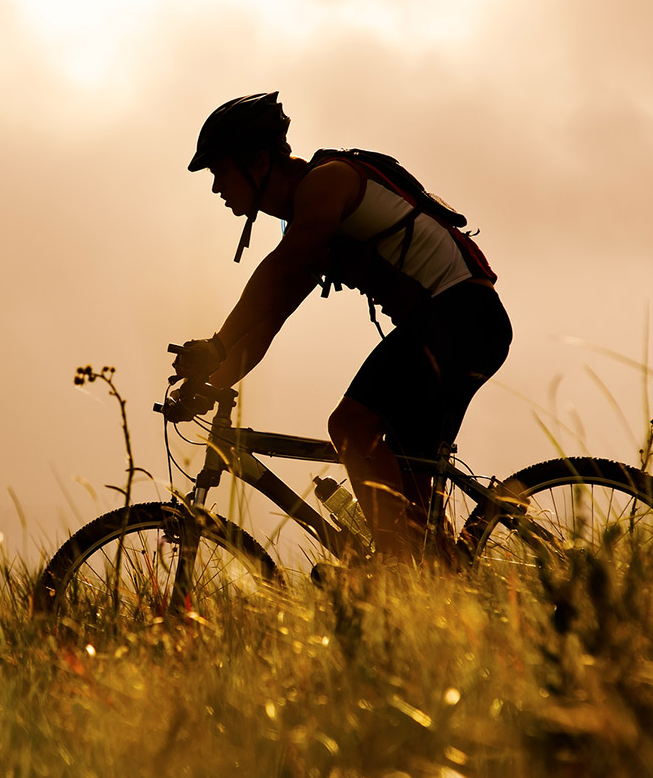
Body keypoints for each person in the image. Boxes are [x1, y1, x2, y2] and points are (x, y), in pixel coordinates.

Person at [170, 92, 512, 563]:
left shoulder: (327, 184)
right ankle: (441, 582)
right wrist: (211, 384)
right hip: (448, 328)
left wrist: (216, 343)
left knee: (351, 425)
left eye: (220, 171)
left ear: (260, 161)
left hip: (460, 318)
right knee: (409, 496)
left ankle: (396, 575)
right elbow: (269, 321)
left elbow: (279, 269)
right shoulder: (307, 224)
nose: (216, 188)